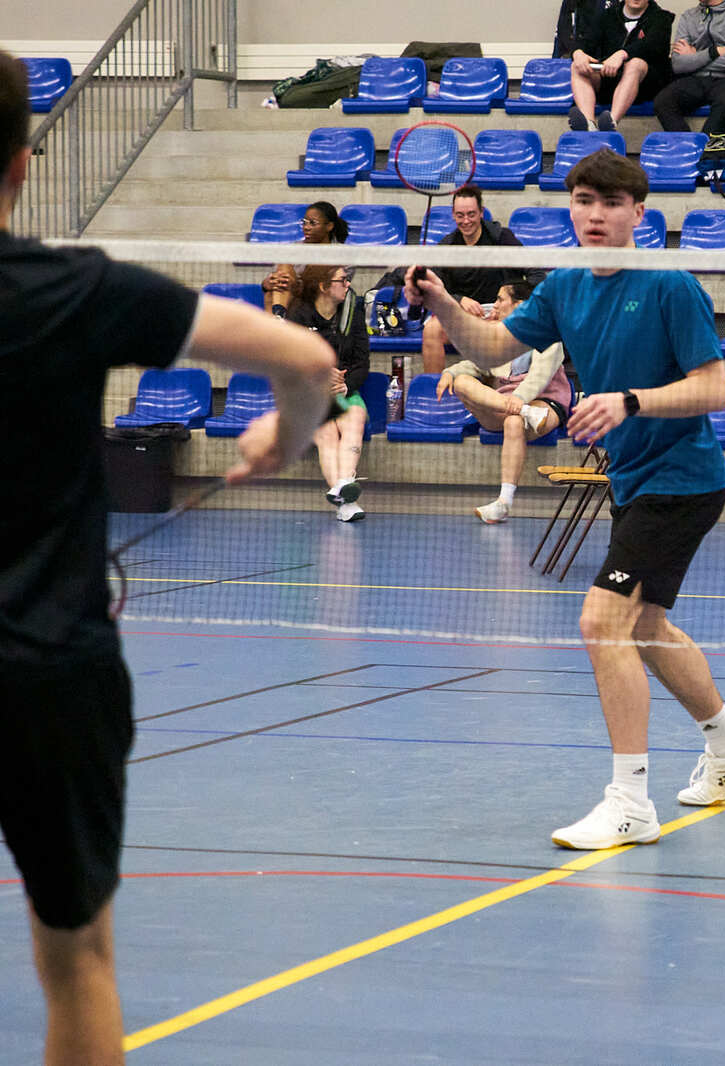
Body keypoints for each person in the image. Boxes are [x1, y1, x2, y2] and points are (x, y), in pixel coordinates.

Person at [0, 50, 331, 1066]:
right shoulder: (72, 291)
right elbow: (308, 358)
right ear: (22, 163)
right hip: (51, 679)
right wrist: (284, 435)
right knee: (78, 959)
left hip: (57, 675)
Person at [405, 149, 725, 850]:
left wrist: (628, 401)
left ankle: (630, 802)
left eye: (610, 203)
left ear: (638, 213)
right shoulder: (566, 286)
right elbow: (492, 346)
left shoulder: (669, 287)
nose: (595, 214)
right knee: (646, 627)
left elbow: (713, 389)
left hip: (682, 480)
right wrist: (444, 304)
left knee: (602, 622)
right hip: (634, 479)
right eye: (583, 201)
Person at [434, 280, 575, 524]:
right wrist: (450, 372)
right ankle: (525, 412)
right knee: (462, 382)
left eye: (500, 299)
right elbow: (478, 364)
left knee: (513, 422)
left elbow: (539, 378)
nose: (495, 304)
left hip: (544, 402)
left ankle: (503, 503)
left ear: (519, 305)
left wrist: (519, 400)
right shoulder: (501, 338)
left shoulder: (549, 336)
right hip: (509, 405)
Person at [287, 265, 370, 521]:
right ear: (324, 286)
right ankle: (346, 500)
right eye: (342, 280)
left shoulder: (353, 311)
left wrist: (346, 385)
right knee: (326, 432)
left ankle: (342, 488)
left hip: (343, 390)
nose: (348, 284)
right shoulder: (298, 315)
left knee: (355, 417)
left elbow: (362, 363)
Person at [419, 185, 526, 374]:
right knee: (431, 330)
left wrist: (506, 306)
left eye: (471, 214)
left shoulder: (501, 238)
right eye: (460, 215)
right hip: (460, 314)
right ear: (453, 215)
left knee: (496, 334)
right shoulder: (447, 246)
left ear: (481, 213)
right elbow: (434, 290)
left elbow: (534, 273)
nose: (466, 221)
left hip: (498, 314)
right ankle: (434, 388)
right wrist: (459, 300)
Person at [568, 0, 675, 132]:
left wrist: (622, 54)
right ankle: (589, 125)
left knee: (635, 63)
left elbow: (652, 45)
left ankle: (610, 123)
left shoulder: (661, 18)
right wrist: (578, 53)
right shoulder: (607, 15)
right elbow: (585, 40)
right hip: (609, 79)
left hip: (645, 86)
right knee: (577, 66)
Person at [654, 0, 725, 135]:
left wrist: (694, 56)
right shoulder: (688, 16)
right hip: (696, 78)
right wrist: (713, 52)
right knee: (663, 101)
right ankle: (688, 145)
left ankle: (706, 147)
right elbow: (678, 64)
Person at [260, 200, 346, 318]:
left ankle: (278, 319)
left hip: (321, 302)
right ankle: (279, 316)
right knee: (278, 278)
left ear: (329, 226)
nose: (306, 227)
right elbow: (277, 278)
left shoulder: (342, 253)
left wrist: (297, 284)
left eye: (312, 223)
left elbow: (338, 287)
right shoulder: (292, 249)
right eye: (304, 222)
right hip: (291, 299)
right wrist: (267, 284)